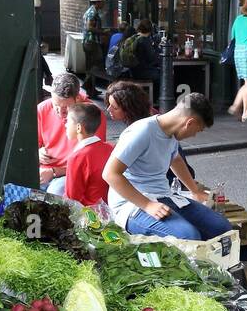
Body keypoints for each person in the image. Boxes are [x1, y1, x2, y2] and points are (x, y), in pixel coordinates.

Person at [103, 93, 229, 241]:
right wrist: (148, 205)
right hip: (132, 204)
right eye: (198, 130)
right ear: (189, 123)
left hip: (164, 197)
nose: (194, 135)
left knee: (222, 228)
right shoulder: (141, 132)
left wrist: (195, 191)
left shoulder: (171, 133)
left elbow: (176, 160)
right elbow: (110, 174)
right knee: (189, 236)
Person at [37, 72, 101, 195]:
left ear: (78, 98)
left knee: (54, 193)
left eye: (66, 107)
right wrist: (38, 153)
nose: (60, 112)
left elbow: (92, 161)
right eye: (55, 105)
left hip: (71, 172)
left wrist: (54, 171)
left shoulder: (92, 114)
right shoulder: (42, 109)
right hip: (44, 170)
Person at [63, 103, 114, 208]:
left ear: (78, 128)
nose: (65, 124)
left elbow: (72, 198)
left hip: (87, 213)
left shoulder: (77, 157)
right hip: (109, 207)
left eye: (68, 121)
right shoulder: (110, 148)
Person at [82, 0, 107, 72]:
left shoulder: (93, 11)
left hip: (90, 42)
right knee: (95, 64)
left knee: (91, 65)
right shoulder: (92, 13)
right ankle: (89, 83)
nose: (104, 3)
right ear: (97, 2)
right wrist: (103, 32)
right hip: (91, 43)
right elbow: (89, 28)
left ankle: (90, 83)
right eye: (102, 1)